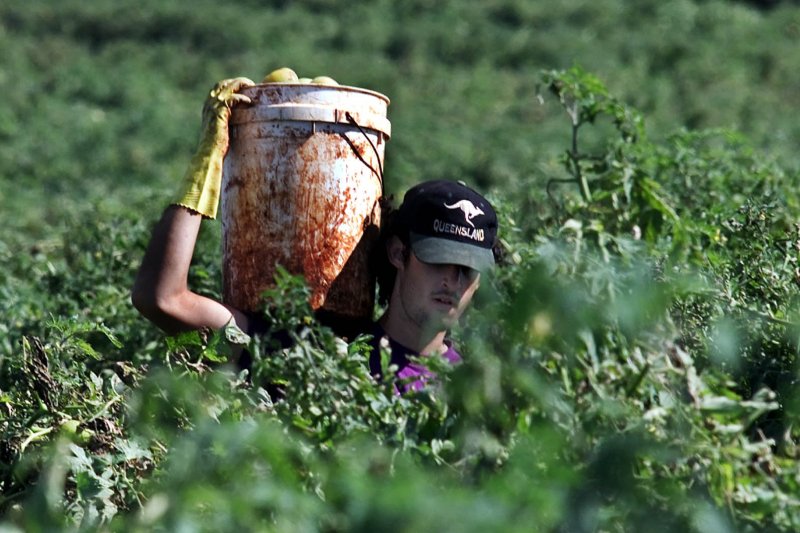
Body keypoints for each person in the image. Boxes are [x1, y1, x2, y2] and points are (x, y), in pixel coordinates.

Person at [131, 77, 499, 391]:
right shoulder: (308, 353)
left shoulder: (473, 390)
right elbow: (164, 299)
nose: (453, 280)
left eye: (467, 269)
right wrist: (208, 163)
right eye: (439, 261)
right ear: (398, 254)